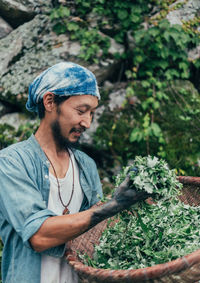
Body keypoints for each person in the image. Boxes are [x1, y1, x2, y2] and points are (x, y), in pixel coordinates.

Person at [0, 62, 148, 283]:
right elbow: (39, 236)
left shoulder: (86, 165)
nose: (87, 122)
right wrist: (111, 206)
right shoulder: (11, 162)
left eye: (92, 114)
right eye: (81, 111)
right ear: (50, 102)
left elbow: (97, 236)